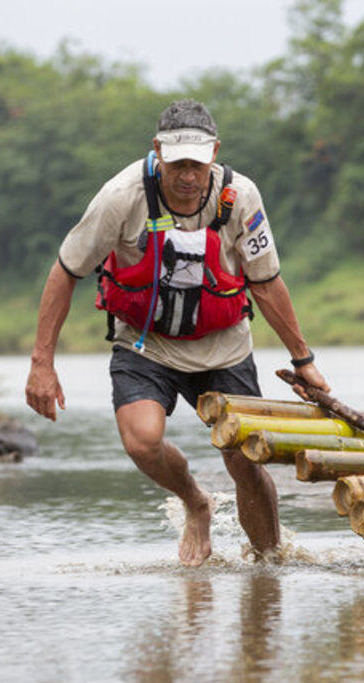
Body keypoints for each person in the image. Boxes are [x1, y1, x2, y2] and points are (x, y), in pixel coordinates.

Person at [25, 99, 328, 566]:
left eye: (198, 164)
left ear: (215, 154)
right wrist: (42, 364)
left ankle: (271, 569)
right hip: (148, 344)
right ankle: (196, 501)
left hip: (224, 348)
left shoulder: (240, 197)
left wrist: (304, 362)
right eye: (178, 163)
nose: (188, 176)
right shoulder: (121, 197)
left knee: (245, 462)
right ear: (157, 153)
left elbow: (266, 283)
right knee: (142, 440)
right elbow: (65, 271)